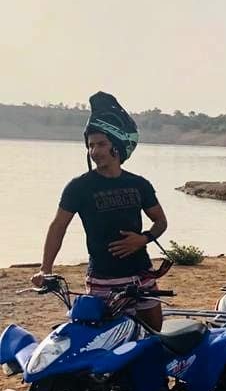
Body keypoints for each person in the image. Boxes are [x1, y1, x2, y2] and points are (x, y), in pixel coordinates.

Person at [32, 92, 167, 330]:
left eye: (101, 144)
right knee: (102, 346)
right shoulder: (79, 187)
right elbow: (57, 227)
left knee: (156, 340)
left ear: (117, 146)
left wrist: (143, 239)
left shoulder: (139, 184)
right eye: (91, 145)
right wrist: (46, 269)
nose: (95, 151)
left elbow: (160, 221)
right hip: (101, 280)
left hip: (142, 276)